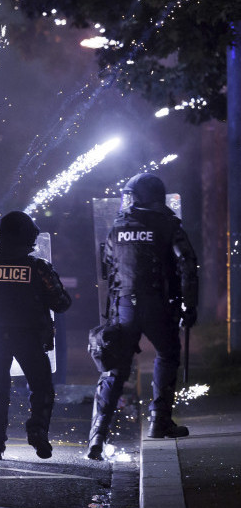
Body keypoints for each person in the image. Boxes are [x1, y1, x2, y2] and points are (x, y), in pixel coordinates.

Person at [87, 173, 198, 460]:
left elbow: (108, 269)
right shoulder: (168, 225)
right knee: (168, 352)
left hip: (124, 305)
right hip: (158, 304)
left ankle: (97, 436)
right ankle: (159, 422)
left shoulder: (118, 227)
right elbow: (187, 264)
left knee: (115, 367)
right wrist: (190, 305)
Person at [0, 211, 72, 460]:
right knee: (42, 388)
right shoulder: (38, 268)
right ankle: (37, 432)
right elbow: (61, 303)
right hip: (30, 337)